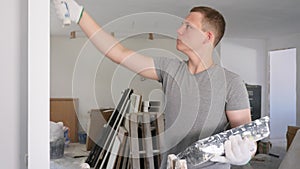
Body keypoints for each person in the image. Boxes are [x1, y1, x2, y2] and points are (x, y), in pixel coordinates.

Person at [53, 1, 257, 169]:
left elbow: (247, 136)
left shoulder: (231, 82)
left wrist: (246, 154)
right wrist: (81, 16)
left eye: (188, 26)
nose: (179, 30)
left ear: (208, 37)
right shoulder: (170, 69)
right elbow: (120, 54)